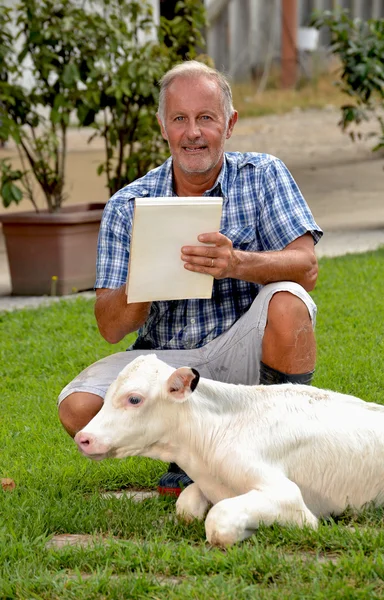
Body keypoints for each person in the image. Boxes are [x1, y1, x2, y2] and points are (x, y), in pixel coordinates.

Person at [58, 60, 323, 495]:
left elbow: (306, 266)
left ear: (230, 123)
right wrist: (147, 277)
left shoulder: (263, 175)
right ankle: (191, 456)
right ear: (162, 126)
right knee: (78, 408)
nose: (192, 132)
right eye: (179, 119)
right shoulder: (129, 203)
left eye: (206, 118)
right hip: (164, 363)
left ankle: (285, 441)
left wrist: (236, 263)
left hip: (240, 357)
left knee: (289, 298)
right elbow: (109, 327)